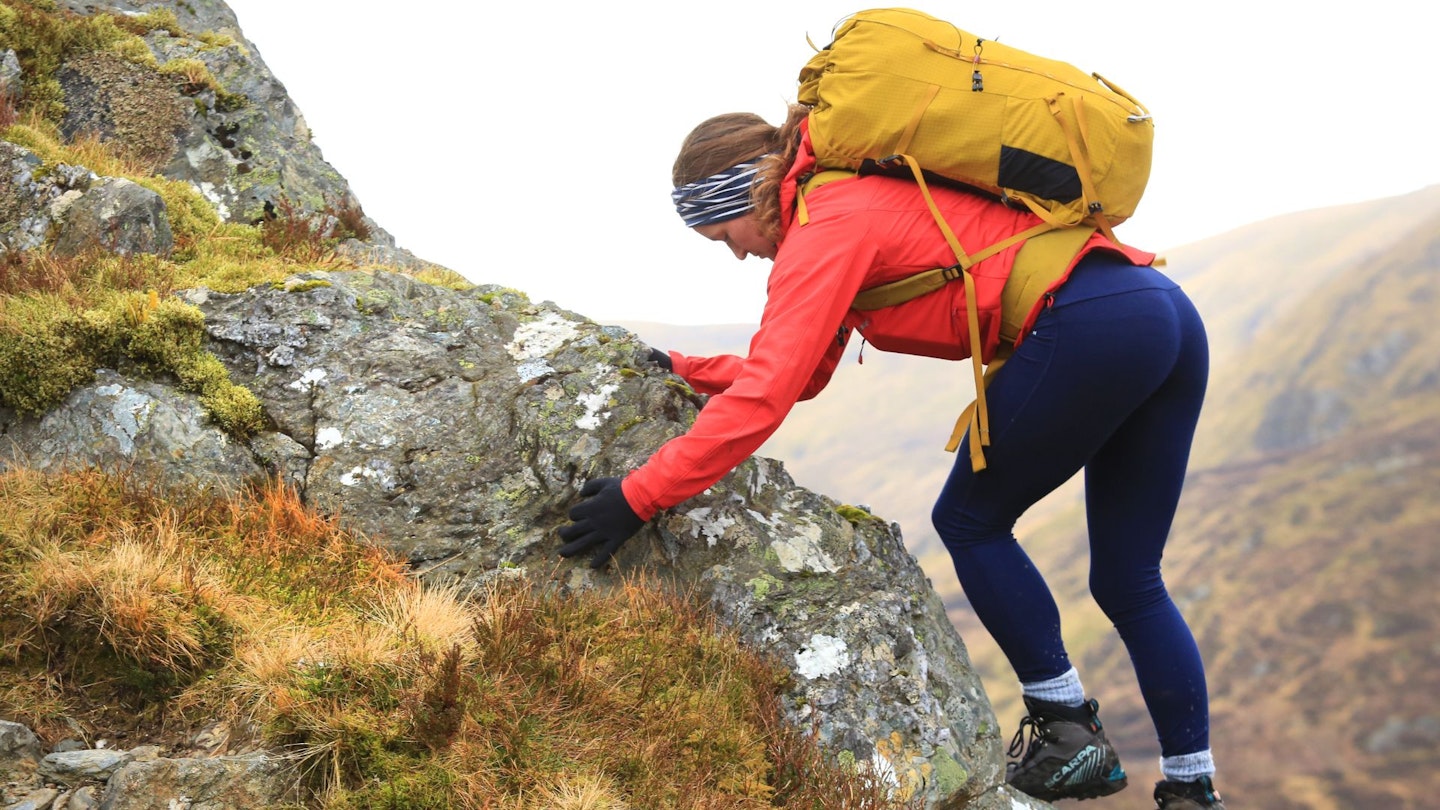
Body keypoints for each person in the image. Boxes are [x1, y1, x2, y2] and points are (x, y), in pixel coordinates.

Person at [556, 104, 1225, 810]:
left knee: (969, 521)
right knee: (1130, 578)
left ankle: (1066, 729)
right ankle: (1192, 787)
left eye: (725, 233)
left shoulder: (824, 226)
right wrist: (681, 367)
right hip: (1161, 310)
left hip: (1092, 322)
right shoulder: (852, 201)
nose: (739, 253)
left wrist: (637, 497)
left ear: (742, 195)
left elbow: (765, 400)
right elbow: (802, 372)